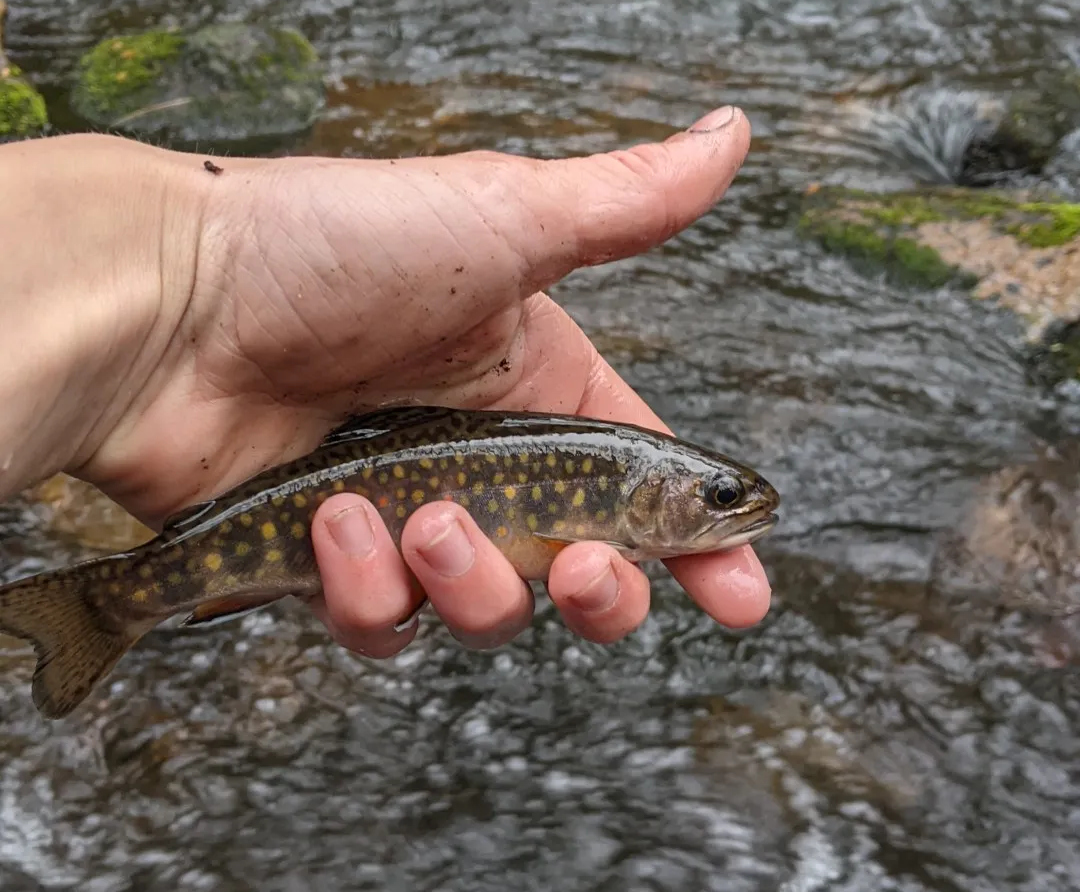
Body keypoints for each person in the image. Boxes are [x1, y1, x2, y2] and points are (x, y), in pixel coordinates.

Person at [0, 109, 771, 658]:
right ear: (647, 495)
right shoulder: (610, 475)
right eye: (721, 498)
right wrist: (196, 277)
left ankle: (114, 600)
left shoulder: (612, 469)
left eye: (722, 496)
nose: (735, 507)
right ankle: (106, 605)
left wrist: (184, 283)